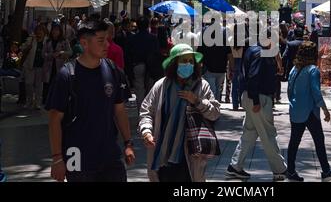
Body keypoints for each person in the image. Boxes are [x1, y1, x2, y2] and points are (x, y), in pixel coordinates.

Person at [46, 20, 135, 182]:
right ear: (84, 43)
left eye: (107, 39)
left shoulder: (114, 71)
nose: (107, 45)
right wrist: (57, 158)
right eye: (101, 41)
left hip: (109, 155)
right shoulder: (66, 76)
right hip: (77, 155)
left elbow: (120, 111)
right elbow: (54, 119)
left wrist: (128, 143)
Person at [138, 43, 220, 182]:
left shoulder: (202, 86)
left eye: (191, 61)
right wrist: (146, 131)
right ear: (174, 64)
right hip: (163, 154)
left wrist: (197, 101)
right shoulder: (161, 86)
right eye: (183, 61)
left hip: (191, 154)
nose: (188, 64)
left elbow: (215, 113)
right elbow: (147, 111)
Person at [226, 29, 288, 181]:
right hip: (258, 98)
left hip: (251, 95)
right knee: (268, 134)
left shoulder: (253, 50)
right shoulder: (260, 54)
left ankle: (235, 166)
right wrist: (256, 101)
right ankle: (280, 169)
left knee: (249, 133)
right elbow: (253, 76)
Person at [286, 42, 331, 181]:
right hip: (310, 112)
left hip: (295, 110)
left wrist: (294, 103)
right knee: (319, 141)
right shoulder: (313, 70)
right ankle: (326, 170)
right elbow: (316, 92)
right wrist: (325, 109)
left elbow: (289, 90)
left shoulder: (294, 68)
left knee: (294, 141)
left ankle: (291, 171)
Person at [42, 24, 72, 105]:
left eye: (57, 30)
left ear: (60, 31)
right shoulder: (48, 41)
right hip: (49, 66)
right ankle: (46, 100)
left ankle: (59, 100)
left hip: (60, 65)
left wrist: (61, 53)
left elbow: (70, 52)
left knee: (59, 83)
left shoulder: (64, 41)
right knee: (48, 83)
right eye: (53, 30)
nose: (55, 32)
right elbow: (43, 53)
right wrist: (51, 55)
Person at [21, 24, 47, 110]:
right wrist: (27, 47)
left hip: (41, 66)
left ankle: (37, 103)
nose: (39, 32)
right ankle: (29, 101)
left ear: (44, 32)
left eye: (41, 31)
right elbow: (22, 48)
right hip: (30, 65)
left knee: (39, 86)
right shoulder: (31, 39)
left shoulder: (47, 41)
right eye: (38, 30)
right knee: (29, 84)